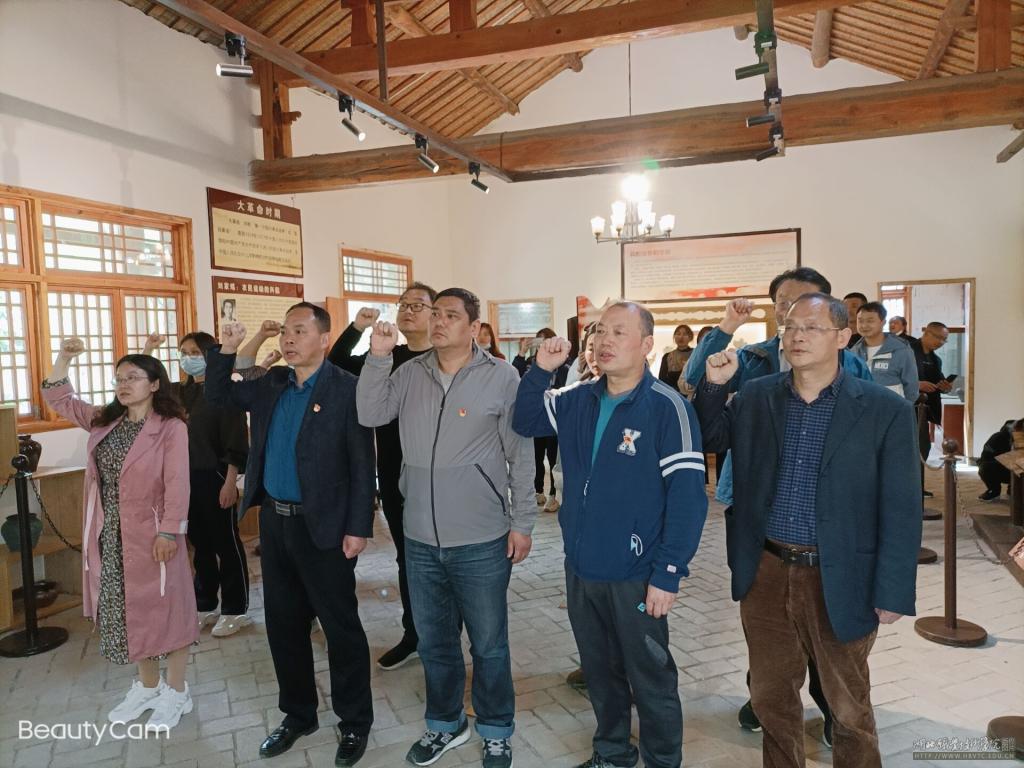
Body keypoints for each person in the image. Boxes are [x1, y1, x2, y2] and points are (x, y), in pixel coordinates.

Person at [695, 293, 921, 768]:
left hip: (842, 573)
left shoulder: (884, 410)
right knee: (771, 698)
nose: (797, 336)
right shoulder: (758, 396)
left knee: (848, 705)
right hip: (767, 569)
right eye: (791, 327)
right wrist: (713, 387)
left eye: (812, 327)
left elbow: (902, 507)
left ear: (842, 337)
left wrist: (893, 588)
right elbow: (709, 437)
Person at [682, 267, 873, 740]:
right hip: (756, 503)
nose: (795, 312)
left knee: (828, 619)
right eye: (786, 303)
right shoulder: (753, 358)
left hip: (826, 512)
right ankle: (765, 694)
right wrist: (725, 328)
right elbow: (694, 381)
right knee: (766, 612)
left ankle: (831, 706)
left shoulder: (851, 366)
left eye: (808, 302)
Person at [514, 302, 708, 768]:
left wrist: (668, 572)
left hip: (637, 571)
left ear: (647, 345)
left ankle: (663, 759)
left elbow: (688, 498)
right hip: (583, 566)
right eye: (600, 331)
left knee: (651, 676)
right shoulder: (576, 398)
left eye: (619, 332)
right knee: (599, 672)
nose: (605, 340)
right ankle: (613, 752)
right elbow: (525, 420)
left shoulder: (668, 408)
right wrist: (540, 370)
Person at [356, 288, 534, 768]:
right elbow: (370, 413)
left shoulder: (502, 376)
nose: (437, 321)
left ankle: (496, 728)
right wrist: (377, 357)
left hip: (482, 537)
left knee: (489, 645)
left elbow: (520, 454)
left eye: (450, 315)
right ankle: (445, 723)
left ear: (474, 328)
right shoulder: (408, 372)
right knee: (435, 643)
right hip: (419, 537)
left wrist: (522, 522)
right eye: (435, 313)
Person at [204, 304, 376, 767]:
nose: (289, 339)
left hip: (326, 527)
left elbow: (363, 464)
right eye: (286, 331)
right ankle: (298, 714)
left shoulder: (347, 389)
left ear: (325, 338)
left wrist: (359, 527)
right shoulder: (273, 383)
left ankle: (354, 721)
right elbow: (217, 394)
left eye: (300, 331)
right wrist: (227, 348)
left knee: (340, 629)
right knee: (283, 626)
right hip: (275, 524)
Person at [42, 340, 197, 731]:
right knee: (129, 609)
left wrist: (169, 532)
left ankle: (177, 692)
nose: (123, 385)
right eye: (119, 379)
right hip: (110, 535)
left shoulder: (171, 428)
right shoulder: (105, 421)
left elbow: (178, 484)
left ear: (155, 384)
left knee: (168, 608)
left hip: (155, 534)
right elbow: (60, 399)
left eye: (133, 378)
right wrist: (65, 358)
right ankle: (148, 686)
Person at [327, 282, 437, 671]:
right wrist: (357, 327)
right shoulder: (387, 356)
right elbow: (337, 363)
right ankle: (415, 634)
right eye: (403, 304)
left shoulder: (446, 358)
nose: (408, 310)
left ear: (436, 314)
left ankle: (446, 634)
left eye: (418, 305)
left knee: (448, 560)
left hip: (442, 477)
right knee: (408, 558)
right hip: (394, 475)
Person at [143, 331, 252, 637]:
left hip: (214, 476)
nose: (187, 358)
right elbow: (147, 382)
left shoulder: (223, 393)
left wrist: (230, 483)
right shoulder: (179, 393)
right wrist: (149, 349)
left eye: (194, 352)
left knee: (226, 544)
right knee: (199, 544)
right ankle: (205, 602)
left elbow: (235, 439)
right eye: (183, 352)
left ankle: (235, 609)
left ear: (209, 356)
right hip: (182, 480)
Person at [514, 328, 568, 513]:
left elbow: (566, 388)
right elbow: (516, 375)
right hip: (537, 414)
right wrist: (523, 353)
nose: (542, 346)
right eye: (539, 342)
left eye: (545, 341)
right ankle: (538, 490)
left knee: (553, 458)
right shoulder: (533, 363)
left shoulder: (563, 366)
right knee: (536, 457)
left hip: (554, 416)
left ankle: (553, 493)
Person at [850, 303, 918, 402]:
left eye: (870, 321)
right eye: (860, 321)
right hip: (862, 408)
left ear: (883, 322)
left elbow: (912, 388)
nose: (864, 325)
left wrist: (903, 409)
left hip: (892, 409)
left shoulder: (901, 350)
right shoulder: (854, 352)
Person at [977, 419, 1024, 501]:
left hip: (1018, 469)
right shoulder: (997, 438)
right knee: (985, 467)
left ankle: (1013, 489)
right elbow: (985, 458)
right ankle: (994, 491)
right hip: (1000, 468)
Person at [657, 324, 694, 391]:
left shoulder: (695, 354)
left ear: (690, 337)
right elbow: (662, 379)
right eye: (678, 334)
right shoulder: (667, 356)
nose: (681, 337)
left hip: (691, 392)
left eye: (685, 334)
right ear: (674, 336)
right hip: (672, 392)